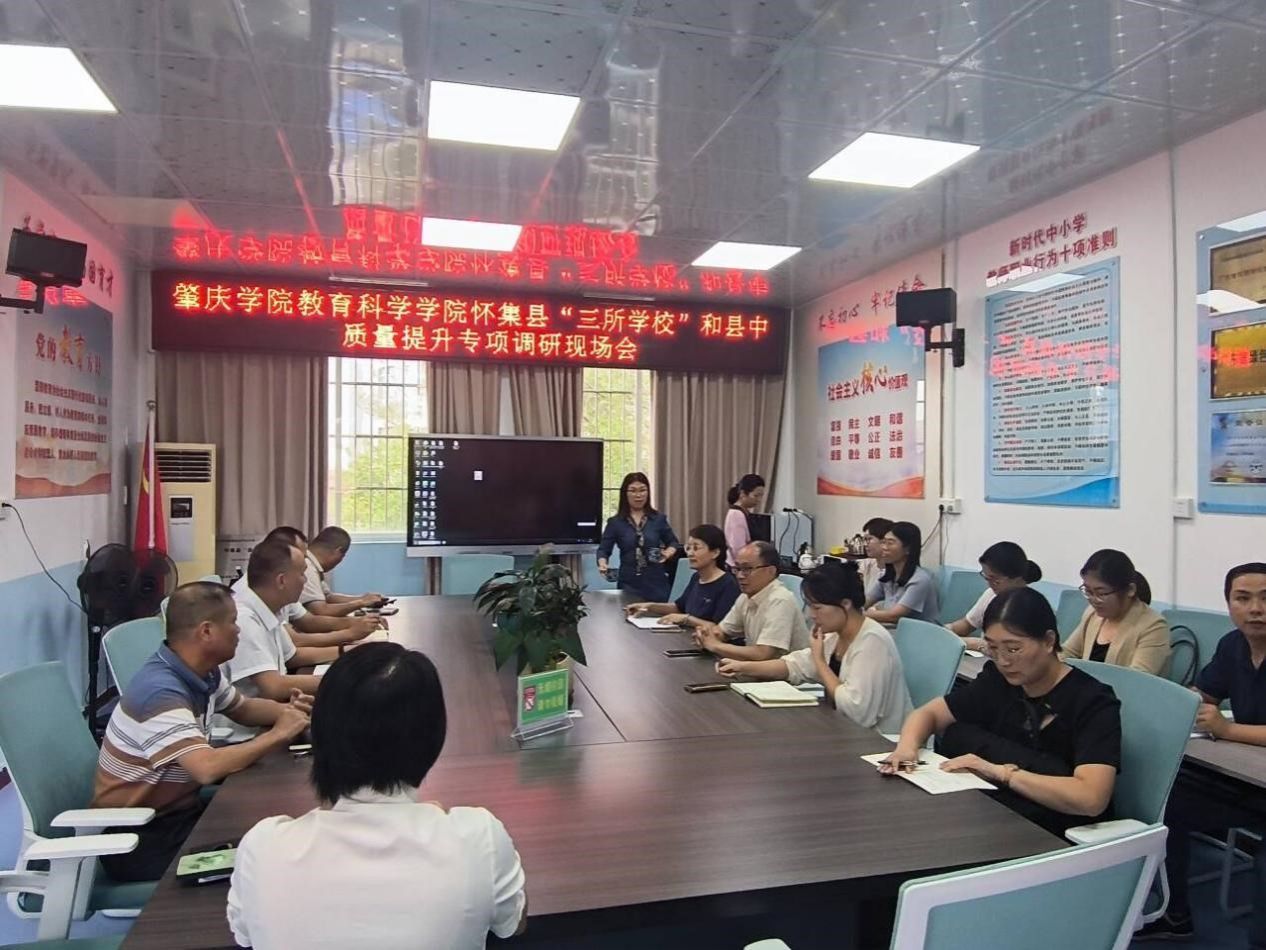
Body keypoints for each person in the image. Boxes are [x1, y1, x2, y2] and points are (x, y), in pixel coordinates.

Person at [227, 643, 527, 949]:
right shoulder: (478, 838)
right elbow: (512, 925)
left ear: (320, 732)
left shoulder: (263, 847)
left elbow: (244, 934)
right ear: (433, 737)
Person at [92, 582, 311, 882]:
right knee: (266, 859)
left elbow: (243, 708)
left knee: (274, 827)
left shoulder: (202, 671)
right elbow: (205, 769)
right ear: (206, 631)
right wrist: (277, 735)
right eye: (232, 622)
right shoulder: (159, 692)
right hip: (139, 838)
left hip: (180, 812)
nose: (238, 630)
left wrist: (289, 713)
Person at [882, 587, 1121, 837]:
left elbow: (1091, 798)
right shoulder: (998, 680)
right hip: (995, 811)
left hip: (1054, 829)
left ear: (1049, 641)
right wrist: (907, 748)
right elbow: (929, 714)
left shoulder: (1092, 700)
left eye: (1013, 649)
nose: (1003, 661)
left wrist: (1000, 772)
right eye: (993, 649)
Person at [1137, 563, 1266, 945]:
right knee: (1167, 806)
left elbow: (1224, 725)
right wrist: (1180, 702)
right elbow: (1205, 693)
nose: (1255, 609)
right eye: (1243, 598)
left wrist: (1228, 730)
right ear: (1229, 604)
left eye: (1265, 598)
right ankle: (1177, 916)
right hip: (1245, 779)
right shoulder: (1232, 646)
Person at [715, 560, 912, 732]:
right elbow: (795, 665)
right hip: (843, 731)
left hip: (879, 742)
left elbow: (856, 712)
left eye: (817, 608)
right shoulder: (836, 634)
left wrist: (820, 661)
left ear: (845, 604)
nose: (811, 615)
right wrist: (743, 667)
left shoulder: (872, 642)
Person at [219, 540, 341, 742]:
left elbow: (292, 655)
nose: (305, 581)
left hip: (274, 715)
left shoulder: (269, 607)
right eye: (301, 574)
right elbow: (273, 687)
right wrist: (342, 679)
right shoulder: (244, 620)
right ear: (282, 581)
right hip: (248, 734)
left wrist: (346, 652)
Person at [237, 527, 382, 649]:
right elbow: (295, 642)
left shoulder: (277, 590)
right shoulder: (248, 609)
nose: (305, 576)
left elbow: (308, 622)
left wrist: (355, 627)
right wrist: (350, 633)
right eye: (301, 556)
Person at [692, 541, 809, 660]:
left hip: (782, 671)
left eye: (747, 569)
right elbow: (723, 631)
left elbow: (763, 653)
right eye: (737, 568)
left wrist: (715, 646)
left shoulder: (780, 600)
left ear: (771, 571)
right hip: (757, 668)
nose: (740, 575)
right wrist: (707, 635)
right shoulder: (746, 596)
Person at [1062, 549, 1170, 676]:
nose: (1093, 600)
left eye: (1101, 593)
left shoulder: (1153, 627)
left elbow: (1137, 679)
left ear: (1130, 590)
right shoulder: (1092, 614)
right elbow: (1068, 652)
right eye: (1088, 591)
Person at [625, 524, 740, 629]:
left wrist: (686, 619)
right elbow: (679, 607)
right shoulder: (696, 578)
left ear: (715, 553)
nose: (690, 553)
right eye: (688, 548)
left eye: (696, 548)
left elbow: (720, 628)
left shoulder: (728, 585)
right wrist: (648, 606)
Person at [596, 472, 680, 602]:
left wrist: (667, 553)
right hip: (628, 583)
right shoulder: (615, 522)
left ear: (648, 492)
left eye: (642, 490)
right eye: (633, 491)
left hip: (656, 582)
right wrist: (603, 564)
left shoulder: (658, 519)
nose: (638, 495)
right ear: (625, 493)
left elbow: (673, 542)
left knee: (657, 614)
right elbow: (603, 550)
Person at [947, 541, 1043, 651]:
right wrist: (945, 630)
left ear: (1017, 578)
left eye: (995, 580)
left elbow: (1008, 649)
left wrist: (972, 643)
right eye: (986, 577)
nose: (990, 584)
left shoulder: (1031, 607)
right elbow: (967, 624)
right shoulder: (991, 594)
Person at [301, 525, 387, 618]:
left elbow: (328, 598)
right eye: (343, 556)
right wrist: (360, 603)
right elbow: (320, 611)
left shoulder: (313, 565)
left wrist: (364, 599)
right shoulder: (307, 568)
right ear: (338, 551)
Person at [864, 521, 941, 625]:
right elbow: (867, 600)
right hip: (894, 629)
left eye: (890, 543)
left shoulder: (920, 579)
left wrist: (862, 614)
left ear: (908, 549)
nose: (884, 547)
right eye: (883, 542)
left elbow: (894, 616)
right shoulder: (886, 576)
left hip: (919, 633)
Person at [723, 473, 767, 565]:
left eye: (761, 496)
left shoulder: (744, 512)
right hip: (740, 566)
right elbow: (738, 548)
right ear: (743, 494)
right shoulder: (736, 514)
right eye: (756, 495)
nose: (759, 500)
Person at [855, 517, 894, 596]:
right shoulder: (867, 563)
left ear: (884, 541)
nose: (865, 544)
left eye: (869, 539)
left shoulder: (895, 570)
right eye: (864, 539)